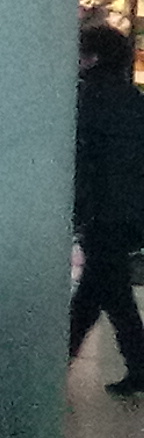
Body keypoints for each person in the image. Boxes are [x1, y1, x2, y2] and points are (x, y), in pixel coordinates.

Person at [85, 24, 144, 391]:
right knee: (104, 287)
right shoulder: (134, 100)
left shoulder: (86, 99)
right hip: (128, 208)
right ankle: (138, 364)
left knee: (105, 288)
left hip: (102, 207)